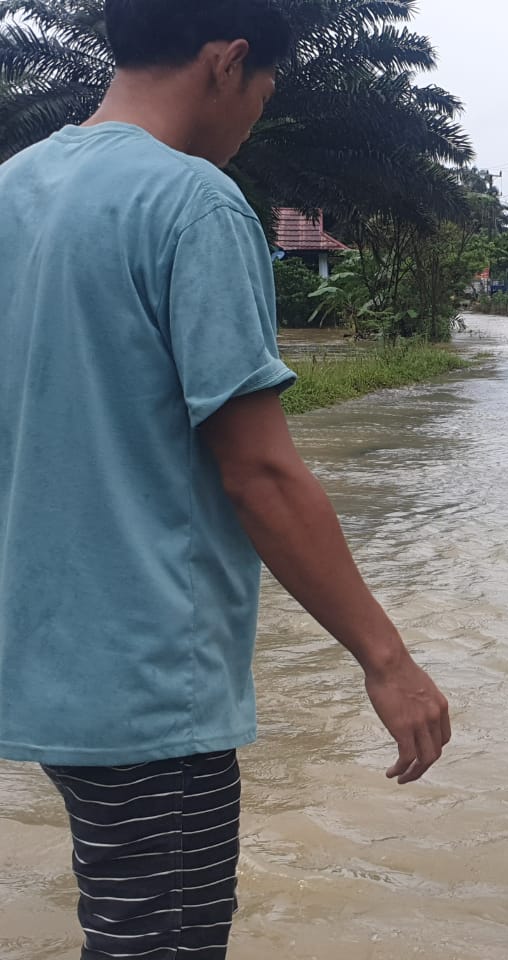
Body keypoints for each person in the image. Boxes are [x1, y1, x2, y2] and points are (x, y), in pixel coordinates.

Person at [0, 3, 451, 956]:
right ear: (227, 61)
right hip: (154, 682)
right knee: (164, 943)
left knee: (123, 929)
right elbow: (261, 473)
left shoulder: (12, 192)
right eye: (263, 92)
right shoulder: (193, 204)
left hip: (40, 666)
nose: (254, 119)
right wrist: (387, 659)